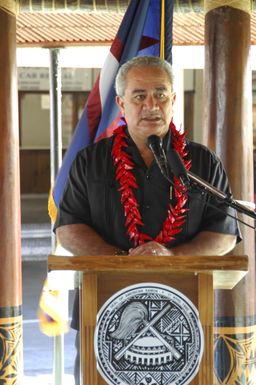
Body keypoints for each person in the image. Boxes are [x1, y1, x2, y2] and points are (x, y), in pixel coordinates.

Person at [54, 55, 241, 384]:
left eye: (160, 94)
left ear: (173, 100)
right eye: (139, 96)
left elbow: (223, 233)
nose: (151, 105)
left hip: (182, 318)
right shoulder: (91, 161)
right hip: (104, 312)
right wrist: (122, 262)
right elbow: (70, 228)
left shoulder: (201, 163)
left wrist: (173, 259)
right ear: (121, 103)